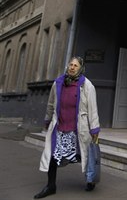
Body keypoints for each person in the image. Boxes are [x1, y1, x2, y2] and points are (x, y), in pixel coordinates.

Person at [34, 56, 100, 198]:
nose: (72, 67)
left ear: (81, 68)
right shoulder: (58, 83)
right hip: (59, 128)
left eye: (76, 65)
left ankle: (90, 180)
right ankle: (51, 186)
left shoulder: (87, 86)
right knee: (52, 155)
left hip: (78, 129)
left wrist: (95, 129)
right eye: (71, 64)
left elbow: (93, 109)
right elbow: (51, 103)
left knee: (84, 156)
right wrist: (48, 118)